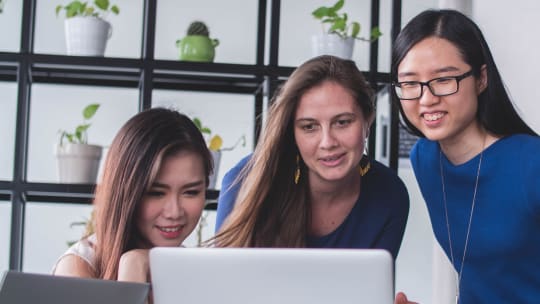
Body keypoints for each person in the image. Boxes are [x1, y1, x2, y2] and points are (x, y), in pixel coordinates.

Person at [391, 9, 540, 304]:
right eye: (410, 83)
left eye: (444, 80)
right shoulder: (426, 159)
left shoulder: (531, 163)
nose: (426, 99)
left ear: (481, 78)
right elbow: (485, 280)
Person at [211, 55, 409, 259]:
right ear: (292, 132)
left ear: (368, 120)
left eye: (342, 122)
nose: (327, 142)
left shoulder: (390, 194)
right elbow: (225, 283)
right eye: (309, 127)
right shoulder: (245, 179)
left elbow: (372, 287)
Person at [52, 108, 213, 300]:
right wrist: (133, 268)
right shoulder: (78, 267)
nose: (174, 212)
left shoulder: (195, 271)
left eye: (191, 192)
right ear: (125, 193)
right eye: (156, 193)